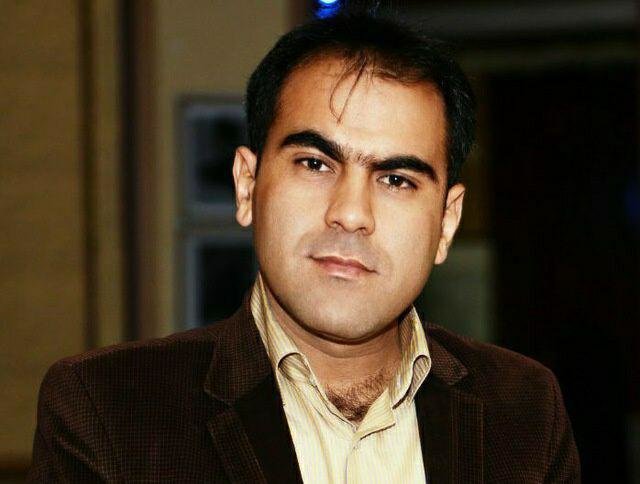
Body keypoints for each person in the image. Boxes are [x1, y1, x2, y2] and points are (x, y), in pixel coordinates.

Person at [27, 11, 580, 483]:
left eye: (396, 180)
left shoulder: (523, 411)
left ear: (446, 223)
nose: (351, 213)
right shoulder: (109, 409)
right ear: (248, 186)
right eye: (315, 164)